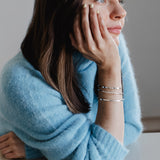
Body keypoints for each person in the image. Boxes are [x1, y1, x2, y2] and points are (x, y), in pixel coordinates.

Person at [0, 0, 143, 160]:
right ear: (63, 6)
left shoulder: (109, 45)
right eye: (101, 0)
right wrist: (109, 70)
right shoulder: (22, 82)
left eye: (120, 0)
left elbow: (131, 125)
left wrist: (40, 150)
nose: (121, 12)